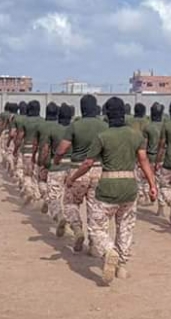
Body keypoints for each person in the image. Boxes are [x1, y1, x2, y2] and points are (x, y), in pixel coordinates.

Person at [67, 97, 157, 285]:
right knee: (125, 226)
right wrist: (152, 185)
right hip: (130, 187)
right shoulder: (136, 136)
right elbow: (143, 161)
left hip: (108, 188)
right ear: (124, 113)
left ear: (107, 114)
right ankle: (121, 267)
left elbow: (88, 163)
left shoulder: (103, 137)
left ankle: (109, 251)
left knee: (96, 227)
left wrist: (73, 178)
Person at [56, 95, 108, 252]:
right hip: (99, 171)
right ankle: (93, 245)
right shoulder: (104, 126)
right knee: (94, 209)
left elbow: (62, 149)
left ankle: (77, 229)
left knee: (70, 203)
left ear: (82, 108)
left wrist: (57, 160)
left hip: (78, 170)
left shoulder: (75, 126)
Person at [37, 103, 72, 235]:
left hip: (57, 167)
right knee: (70, 201)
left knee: (54, 197)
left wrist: (43, 164)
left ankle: (59, 216)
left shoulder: (53, 129)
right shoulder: (74, 129)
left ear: (59, 115)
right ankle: (74, 225)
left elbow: (45, 150)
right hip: (73, 168)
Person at [14, 100, 45, 205]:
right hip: (40, 152)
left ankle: (29, 191)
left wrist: (16, 149)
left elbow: (20, 137)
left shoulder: (25, 121)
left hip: (27, 150)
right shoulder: (43, 121)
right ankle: (39, 196)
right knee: (37, 176)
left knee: (27, 174)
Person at [33, 102, 60, 210]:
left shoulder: (40, 126)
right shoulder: (60, 127)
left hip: (44, 158)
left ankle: (45, 197)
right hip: (58, 161)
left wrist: (36, 158)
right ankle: (51, 201)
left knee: (41, 180)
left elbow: (36, 144)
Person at [140, 103, 163, 206]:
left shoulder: (147, 127)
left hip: (150, 157)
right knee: (161, 182)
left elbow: (144, 146)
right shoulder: (165, 126)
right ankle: (161, 206)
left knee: (146, 179)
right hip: (163, 158)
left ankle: (149, 197)